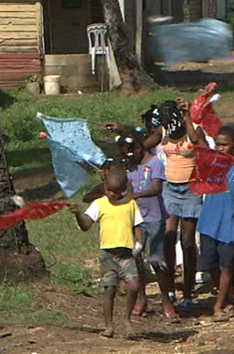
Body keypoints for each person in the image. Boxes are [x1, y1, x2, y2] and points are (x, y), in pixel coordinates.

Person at [70, 166, 144, 338]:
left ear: (124, 190)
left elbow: (137, 225)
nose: (110, 194)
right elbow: (86, 226)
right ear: (104, 187)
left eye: (115, 191)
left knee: (134, 285)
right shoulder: (99, 204)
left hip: (126, 253)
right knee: (109, 289)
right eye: (108, 190)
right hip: (108, 254)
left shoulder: (130, 205)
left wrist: (139, 243)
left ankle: (126, 318)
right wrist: (78, 215)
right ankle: (108, 326)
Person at [198, 127, 234, 321]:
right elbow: (197, 142)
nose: (220, 148)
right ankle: (227, 296)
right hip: (209, 223)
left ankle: (218, 305)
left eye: (225, 145)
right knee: (210, 264)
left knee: (227, 266)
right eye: (218, 145)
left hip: (231, 225)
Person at [119, 133, 178, 321]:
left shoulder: (155, 164)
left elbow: (155, 188)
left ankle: (166, 300)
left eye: (130, 154)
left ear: (138, 149)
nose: (129, 159)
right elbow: (128, 186)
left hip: (153, 219)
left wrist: (134, 196)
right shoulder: (130, 166)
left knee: (157, 261)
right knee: (137, 258)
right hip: (135, 219)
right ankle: (141, 298)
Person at [155, 99, 207, 311]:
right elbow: (148, 143)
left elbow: (202, 146)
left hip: (190, 188)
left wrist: (187, 117)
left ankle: (188, 289)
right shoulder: (163, 129)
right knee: (168, 236)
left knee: (187, 241)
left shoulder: (193, 129)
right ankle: (169, 288)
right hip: (170, 187)